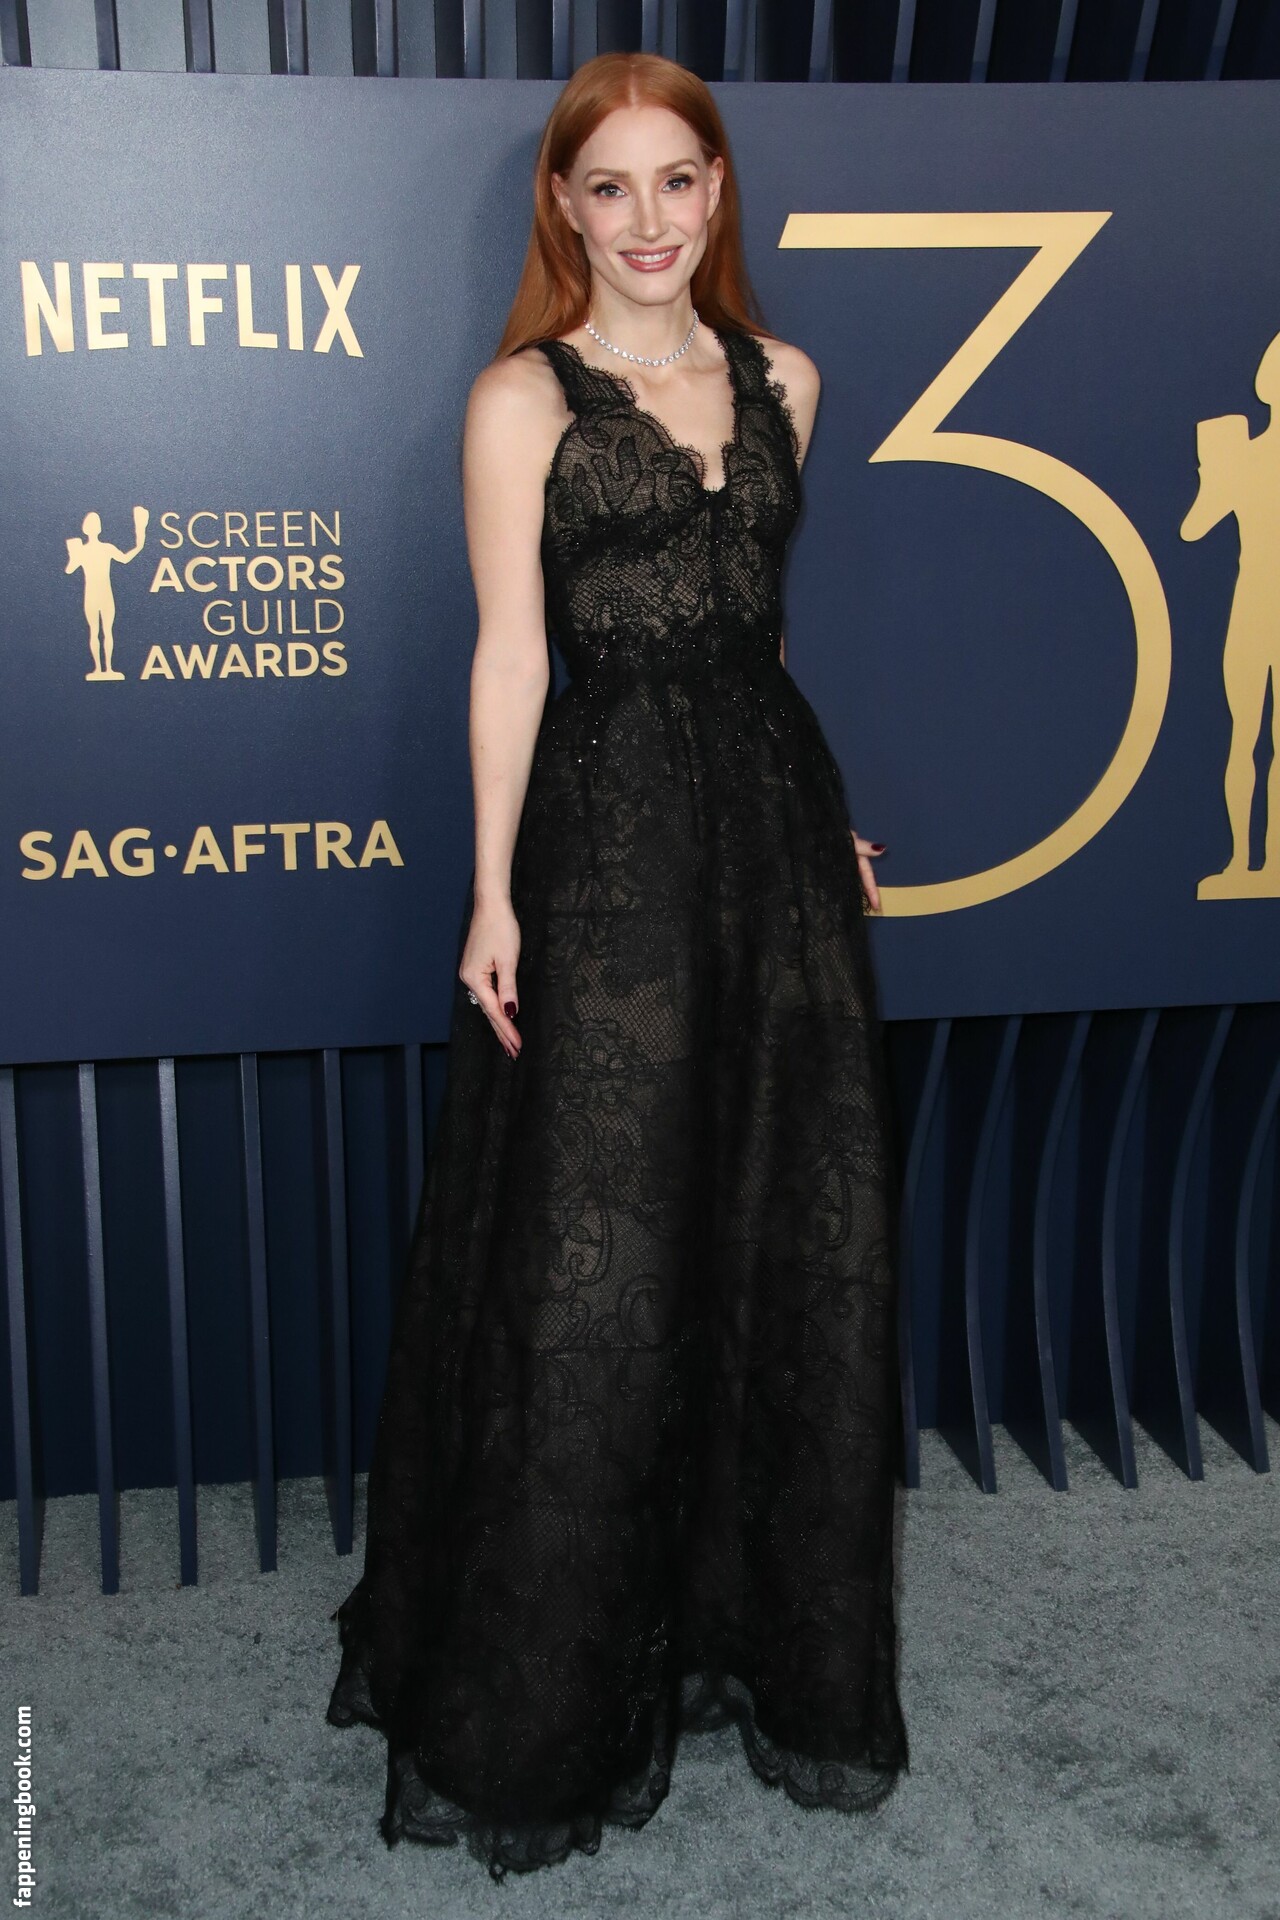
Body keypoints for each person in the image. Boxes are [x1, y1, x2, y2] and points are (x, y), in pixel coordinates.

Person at [327, 49, 910, 1881]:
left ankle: (738, 1638)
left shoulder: (788, 380)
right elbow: (515, 656)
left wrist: (815, 825)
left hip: (774, 849)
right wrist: (490, 894)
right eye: (611, 187)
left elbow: (760, 631)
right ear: (565, 208)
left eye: (678, 180)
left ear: (716, 193)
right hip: (607, 853)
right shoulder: (523, 400)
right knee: (599, 1255)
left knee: (773, 1233)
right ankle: (541, 1702)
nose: (648, 219)